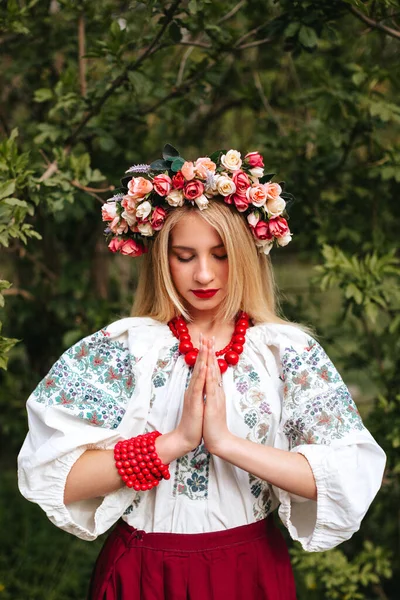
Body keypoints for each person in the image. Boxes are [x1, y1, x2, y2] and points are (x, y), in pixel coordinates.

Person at [18, 147, 386, 600]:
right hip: (144, 573)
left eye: (221, 254)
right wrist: (172, 443)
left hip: (248, 571)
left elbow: (346, 476)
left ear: (247, 255)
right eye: (185, 256)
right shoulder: (124, 348)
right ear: (161, 260)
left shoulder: (287, 352)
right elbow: (56, 476)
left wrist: (227, 444)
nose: (205, 274)